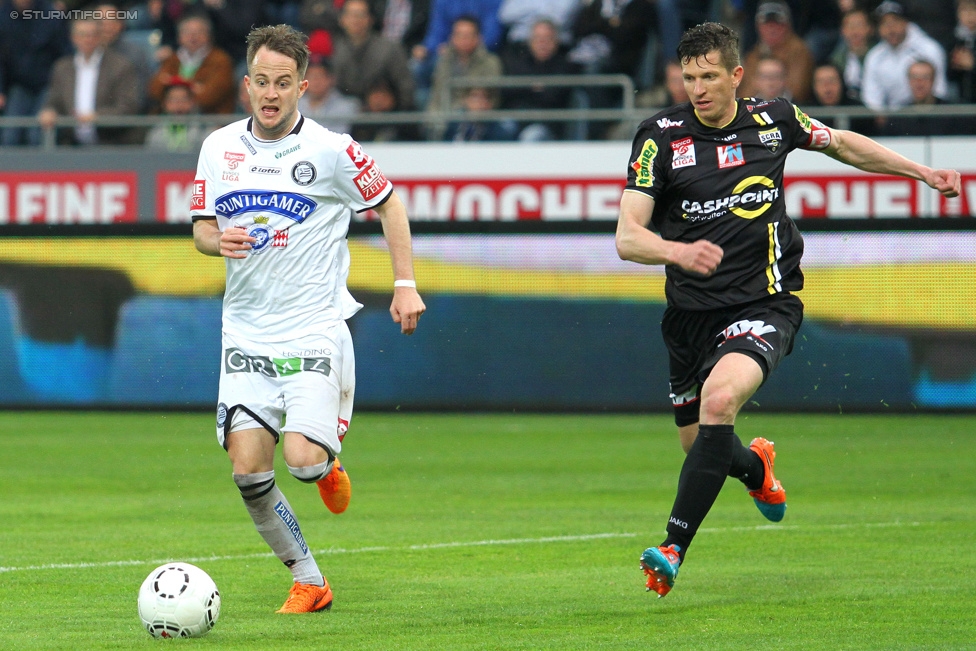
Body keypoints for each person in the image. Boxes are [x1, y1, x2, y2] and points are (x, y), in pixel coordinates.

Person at [615, 21, 960, 598]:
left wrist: (921, 172)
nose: (698, 89)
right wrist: (676, 250)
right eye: (689, 77)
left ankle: (672, 549)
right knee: (700, 442)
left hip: (765, 302)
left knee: (720, 401)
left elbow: (845, 143)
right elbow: (627, 237)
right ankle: (756, 468)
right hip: (688, 317)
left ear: (736, 75)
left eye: (709, 77)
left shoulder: (775, 118)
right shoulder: (659, 136)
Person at [191, 23, 426, 613]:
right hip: (244, 332)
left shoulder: (331, 149)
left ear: (303, 86)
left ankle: (325, 463)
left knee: (301, 461)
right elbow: (200, 229)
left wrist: (404, 284)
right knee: (247, 471)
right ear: (246, 85)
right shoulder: (218, 147)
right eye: (262, 82)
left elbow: (390, 203)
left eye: (284, 83)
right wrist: (217, 242)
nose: (271, 94)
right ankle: (310, 580)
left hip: (313, 327)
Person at [38, 18, 142, 145]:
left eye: (92, 35)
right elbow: (53, 101)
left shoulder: (120, 66)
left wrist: (97, 117)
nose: (87, 39)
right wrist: (49, 111)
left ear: (100, 37)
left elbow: (128, 107)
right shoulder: (62, 68)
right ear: (73, 38)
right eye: (82, 35)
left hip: (112, 145)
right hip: (72, 146)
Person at [861, 1, 947, 110]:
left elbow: (940, 91)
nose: (890, 29)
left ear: (906, 22)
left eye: (895, 22)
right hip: (892, 119)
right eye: (884, 24)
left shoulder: (929, 49)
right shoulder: (874, 56)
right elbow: (872, 100)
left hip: (927, 113)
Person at [331, 0, 416, 109]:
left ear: (370, 19)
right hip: (343, 115)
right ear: (341, 19)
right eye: (351, 15)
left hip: (385, 115)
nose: (356, 20)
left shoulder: (389, 49)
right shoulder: (333, 50)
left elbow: (406, 89)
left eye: (361, 14)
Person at [148, 12, 237, 114]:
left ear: (209, 35)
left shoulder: (221, 60)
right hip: (171, 117)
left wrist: (175, 85)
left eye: (199, 32)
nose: (193, 37)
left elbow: (210, 96)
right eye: (187, 32)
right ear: (179, 37)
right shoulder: (171, 59)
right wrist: (194, 87)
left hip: (210, 119)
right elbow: (155, 89)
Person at [739, 1, 814, 103]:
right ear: (758, 27)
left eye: (777, 24)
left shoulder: (799, 52)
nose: (772, 29)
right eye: (766, 25)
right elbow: (744, 95)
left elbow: (798, 93)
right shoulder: (752, 55)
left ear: (788, 26)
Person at [297, 55, 361, 134]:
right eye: (311, 76)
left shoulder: (348, 106)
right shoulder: (294, 105)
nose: (316, 82)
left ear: (331, 79)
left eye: (320, 76)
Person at [144, 78, 213, 151]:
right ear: (164, 103)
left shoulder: (204, 130)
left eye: (183, 99)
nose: (178, 105)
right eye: (173, 100)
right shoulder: (156, 133)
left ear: (192, 102)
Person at [828, 7, 877, 103]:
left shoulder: (879, 57)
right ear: (842, 30)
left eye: (859, 25)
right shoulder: (836, 60)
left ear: (870, 29)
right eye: (850, 26)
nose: (854, 31)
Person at [949, 0, 976, 103]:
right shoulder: (954, 40)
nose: (969, 15)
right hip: (961, 100)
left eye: (974, 9)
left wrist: (973, 65)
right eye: (964, 10)